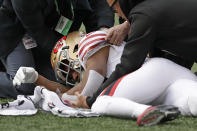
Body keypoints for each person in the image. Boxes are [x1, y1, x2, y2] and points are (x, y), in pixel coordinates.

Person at [82, 0, 197, 108]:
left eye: (115, 9)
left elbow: (128, 66)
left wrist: (90, 101)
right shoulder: (151, 10)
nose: (119, 16)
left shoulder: (145, 15)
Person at [0, 0, 114, 98]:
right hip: (15, 30)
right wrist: (64, 53)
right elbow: (38, 32)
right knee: (24, 85)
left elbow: (99, 4)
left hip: (51, 31)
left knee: (62, 80)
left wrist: (102, 32)